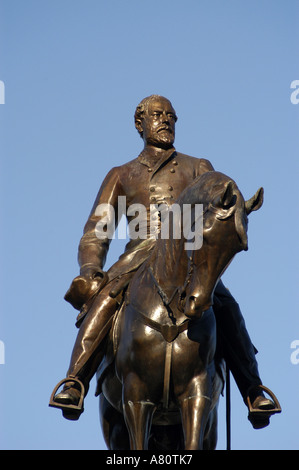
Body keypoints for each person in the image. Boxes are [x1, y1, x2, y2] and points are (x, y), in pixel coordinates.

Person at [50, 95, 277, 428]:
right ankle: (75, 380)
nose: (166, 121)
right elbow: (96, 232)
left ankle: (253, 389)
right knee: (104, 301)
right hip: (138, 256)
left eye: (171, 116)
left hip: (189, 260)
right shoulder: (121, 174)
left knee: (227, 305)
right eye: (157, 115)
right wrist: (89, 269)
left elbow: (218, 203)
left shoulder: (197, 166)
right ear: (140, 123)